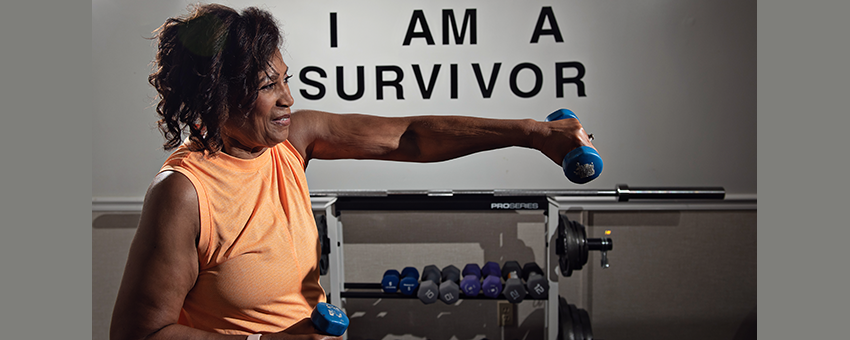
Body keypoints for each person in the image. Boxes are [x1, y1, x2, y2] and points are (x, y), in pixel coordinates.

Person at [109, 3, 598, 340]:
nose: (287, 99)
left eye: (286, 80)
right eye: (266, 86)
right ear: (215, 96)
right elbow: (141, 332)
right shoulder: (185, 193)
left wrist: (533, 133)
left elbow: (409, 136)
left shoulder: (290, 142)